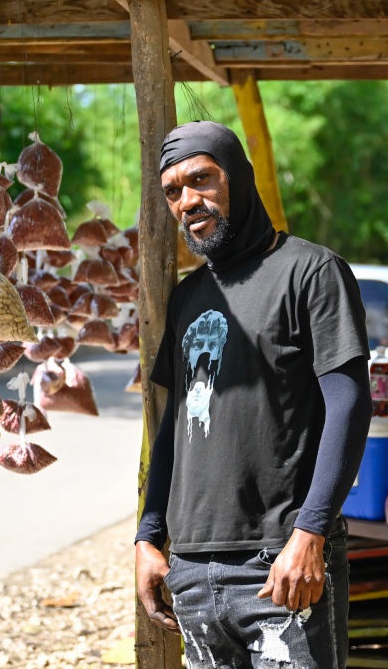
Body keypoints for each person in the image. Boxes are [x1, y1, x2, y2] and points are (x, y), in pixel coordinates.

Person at [135, 120, 374, 669]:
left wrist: (311, 531)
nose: (187, 201)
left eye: (201, 180)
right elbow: (175, 425)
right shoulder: (188, 296)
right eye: (172, 192)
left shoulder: (311, 271)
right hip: (192, 570)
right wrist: (149, 537)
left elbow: (349, 403)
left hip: (281, 564)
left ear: (237, 179)